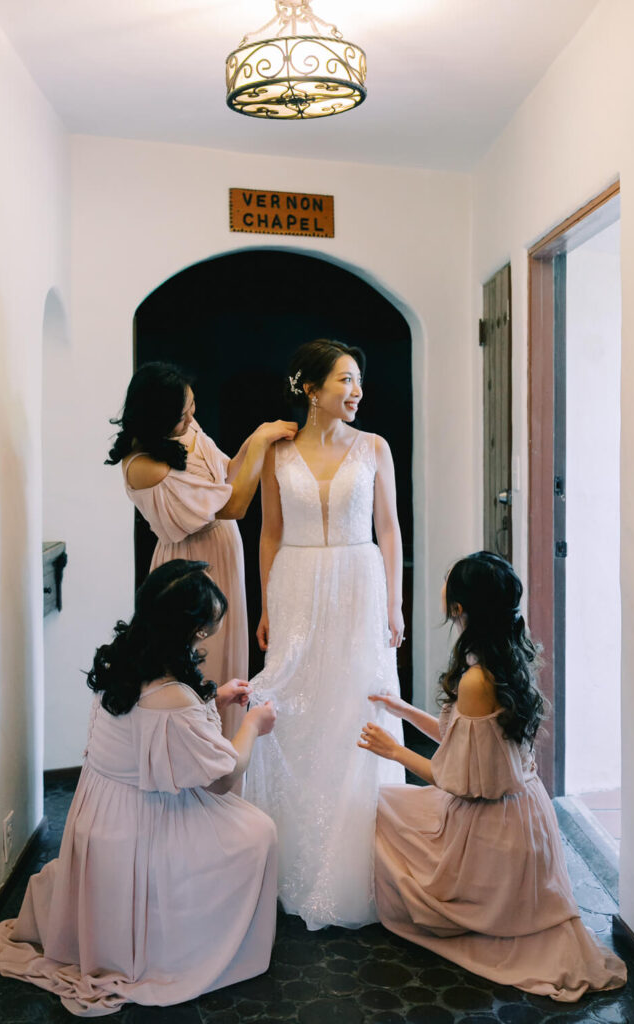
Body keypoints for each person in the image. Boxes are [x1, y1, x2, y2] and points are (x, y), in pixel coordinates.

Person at [0, 560, 278, 1017]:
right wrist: (254, 725)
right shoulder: (173, 700)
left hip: (99, 813)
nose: (207, 636)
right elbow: (223, 779)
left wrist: (212, 698)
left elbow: (150, 726)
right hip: (138, 825)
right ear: (186, 630)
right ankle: (196, 945)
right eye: (204, 630)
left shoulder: (123, 658)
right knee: (256, 832)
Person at [358, 551, 627, 1001]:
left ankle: (457, 915)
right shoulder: (506, 655)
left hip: (492, 828)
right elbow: (466, 741)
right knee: (396, 805)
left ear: (461, 610)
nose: (443, 585)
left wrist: (394, 750)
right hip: (524, 814)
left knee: (384, 809)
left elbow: (455, 778)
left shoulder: (476, 680)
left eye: (450, 582)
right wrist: (404, 712)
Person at [244, 339, 406, 931]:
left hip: (360, 585)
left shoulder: (375, 448)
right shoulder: (278, 452)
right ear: (312, 389)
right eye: (345, 380)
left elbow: (389, 529)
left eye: (359, 380)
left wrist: (394, 602)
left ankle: (363, 865)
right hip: (296, 582)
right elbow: (268, 533)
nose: (357, 391)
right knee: (298, 713)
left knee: (355, 708)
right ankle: (294, 860)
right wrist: (264, 606)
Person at [106, 362, 297, 740]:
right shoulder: (144, 466)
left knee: (227, 661)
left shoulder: (185, 427)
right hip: (188, 569)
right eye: (182, 415)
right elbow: (235, 504)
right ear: (157, 418)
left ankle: (226, 760)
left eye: (192, 406)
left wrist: (253, 442)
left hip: (224, 553)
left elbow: (226, 474)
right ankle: (197, 761)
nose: (192, 417)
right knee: (198, 663)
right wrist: (259, 441)